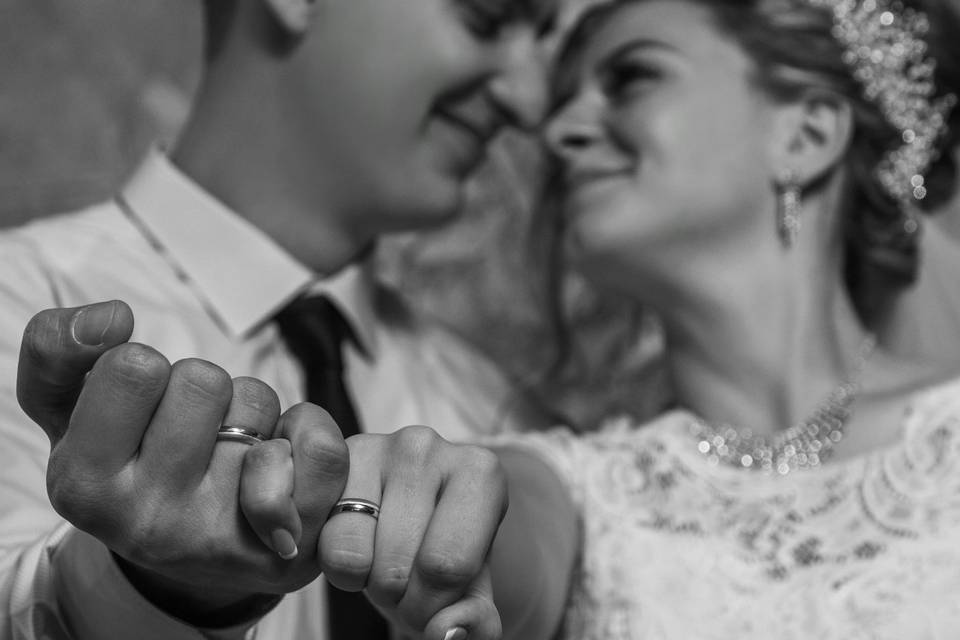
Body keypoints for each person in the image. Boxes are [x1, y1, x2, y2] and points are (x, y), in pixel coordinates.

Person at [0, 0, 560, 638]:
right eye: (486, 17)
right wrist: (150, 591)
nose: (532, 102)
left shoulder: (505, 416)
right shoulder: (16, 300)